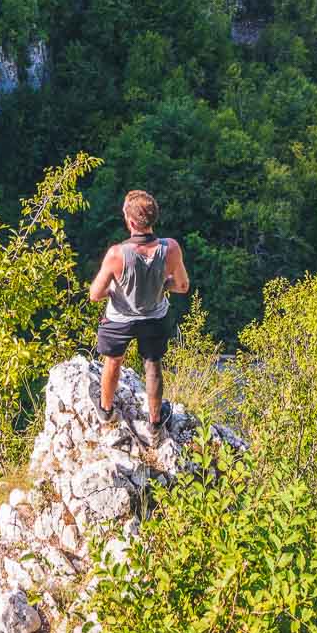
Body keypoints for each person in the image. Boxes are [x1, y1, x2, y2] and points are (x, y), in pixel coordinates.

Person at [88, 189, 189, 444]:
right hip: (154, 317)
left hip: (120, 318)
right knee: (152, 365)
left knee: (113, 361)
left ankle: (106, 410)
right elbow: (182, 286)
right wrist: (162, 285)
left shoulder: (116, 254)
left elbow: (95, 294)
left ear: (131, 222)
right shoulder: (171, 248)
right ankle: (155, 422)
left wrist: (115, 288)